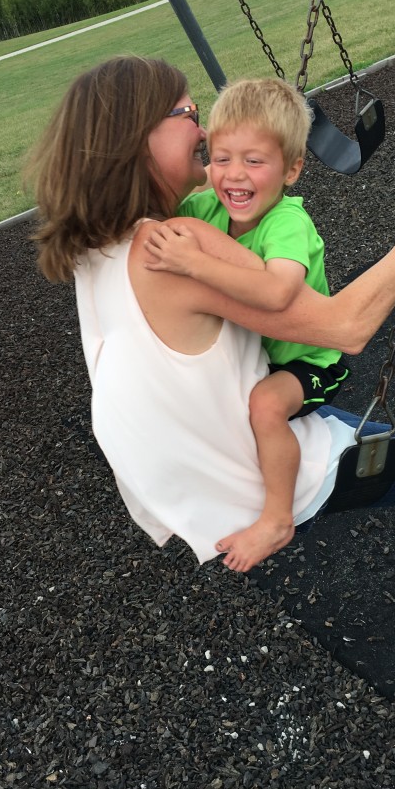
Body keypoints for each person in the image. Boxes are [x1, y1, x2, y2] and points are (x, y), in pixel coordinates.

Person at [28, 55, 395, 574]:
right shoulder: (174, 245)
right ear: (135, 135)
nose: (202, 131)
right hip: (258, 473)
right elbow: (348, 327)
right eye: (187, 113)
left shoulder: (95, 245)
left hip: (213, 461)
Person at [145, 77, 349, 571]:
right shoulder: (204, 207)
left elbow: (279, 292)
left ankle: (277, 518)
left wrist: (195, 263)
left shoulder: (287, 224)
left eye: (254, 161)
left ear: (293, 169)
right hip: (261, 353)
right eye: (221, 159)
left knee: (264, 405)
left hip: (311, 360)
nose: (234, 175)